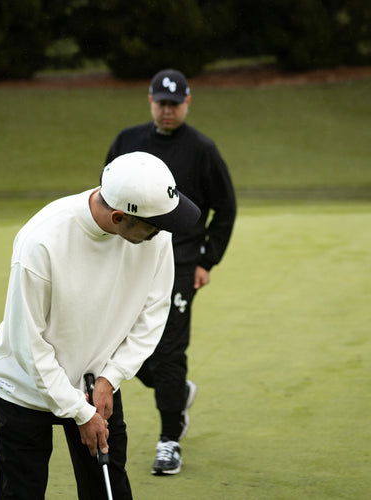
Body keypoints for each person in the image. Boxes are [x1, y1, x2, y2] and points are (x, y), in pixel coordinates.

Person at [0, 151, 200, 500]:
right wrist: (78, 412)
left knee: (107, 490)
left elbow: (153, 314)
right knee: (20, 493)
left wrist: (110, 377)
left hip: (96, 384)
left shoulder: (153, 230)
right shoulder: (41, 241)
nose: (164, 233)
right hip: (24, 389)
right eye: (155, 226)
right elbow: (28, 344)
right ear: (118, 217)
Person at [106, 69, 236, 475]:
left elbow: (225, 208)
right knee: (117, 343)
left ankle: (169, 440)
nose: (167, 110)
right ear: (150, 101)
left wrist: (205, 260)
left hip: (179, 264)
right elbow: (108, 193)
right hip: (130, 257)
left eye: (174, 104)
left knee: (169, 349)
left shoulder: (202, 149)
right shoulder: (128, 141)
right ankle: (177, 393)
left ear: (187, 102)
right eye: (161, 103)